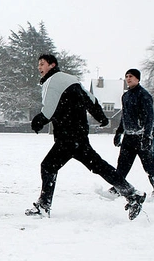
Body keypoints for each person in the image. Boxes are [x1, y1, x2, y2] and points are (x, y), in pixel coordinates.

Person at [27, 54, 146, 220]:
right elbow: (91, 100)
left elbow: (48, 109)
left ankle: (44, 206)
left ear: (52, 65)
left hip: (68, 137)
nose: (39, 67)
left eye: (42, 64)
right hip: (78, 136)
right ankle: (132, 194)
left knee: (48, 166)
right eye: (38, 64)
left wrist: (37, 122)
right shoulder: (72, 79)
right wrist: (102, 117)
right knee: (99, 166)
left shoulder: (52, 81)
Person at [111, 68, 154, 198]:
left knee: (149, 165)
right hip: (129, 136)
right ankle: (118, 187)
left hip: (142, 136)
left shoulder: (144, 95)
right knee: (122, 165)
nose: (128, 78)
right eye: (127, 76)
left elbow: (149, 117)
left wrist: (147, 136)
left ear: (138, 79)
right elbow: (124, 116)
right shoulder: (125, 96)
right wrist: (119, 132)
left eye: (131, 76)